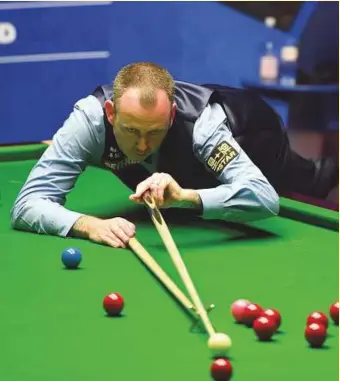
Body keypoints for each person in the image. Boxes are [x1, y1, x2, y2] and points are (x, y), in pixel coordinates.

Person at [10, 62, 337, 249]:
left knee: (306, 178)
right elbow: (27, 204)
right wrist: (86, 224)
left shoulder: (203, 126)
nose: (141, 146)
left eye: (154, 132)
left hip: (253, 135)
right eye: (131, 130)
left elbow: (265, 199)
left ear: (171, 116)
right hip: (195, 154)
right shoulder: (88, 119)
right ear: (111, 113)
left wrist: (184, 196)